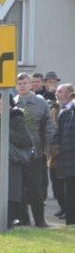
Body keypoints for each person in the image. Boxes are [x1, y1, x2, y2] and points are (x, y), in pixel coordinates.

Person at [0, 96, 34, 229]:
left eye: (2, 103)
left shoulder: (16, 119)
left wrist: (5, 129)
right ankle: (1, 223)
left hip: (10, 164)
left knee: (9, 194)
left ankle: (7, 223)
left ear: (10, 105)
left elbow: (26, 140)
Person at [14, 72, 56, 227]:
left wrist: (47, 149)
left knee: (36, 189)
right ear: (16, 86)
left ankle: (40, 220)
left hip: (36, 153)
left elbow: (48, 128)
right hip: (17, 154)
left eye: (25, 83)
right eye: (19, 84)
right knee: (18, 188)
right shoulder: (12, 102)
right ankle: (23, 219)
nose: (22, 86)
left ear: (31, 84)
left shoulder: (41, 103)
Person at [49, 83, 74, 219]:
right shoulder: (55, 109)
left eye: (60, 91)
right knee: (58, 185)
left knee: (69, 188)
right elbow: (56, 132)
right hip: (58, 155)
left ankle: (69, 214)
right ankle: (66, 210)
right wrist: (54, 147)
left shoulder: (69, 111)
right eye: (57, 91)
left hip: (69, 156)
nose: (56, 94)